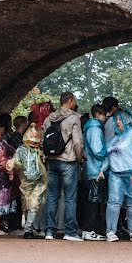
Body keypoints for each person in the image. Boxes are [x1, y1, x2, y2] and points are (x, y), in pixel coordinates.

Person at [41, 91, 85, 241]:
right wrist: (80, 159)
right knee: (70, 198)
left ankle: (49, 231)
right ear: (70, 101)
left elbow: (43, 140)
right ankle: (70, 232)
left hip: (52, 161)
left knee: (52, 196)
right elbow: (78, 142)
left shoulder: (49, 119)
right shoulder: (74, 118)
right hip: (68, 161)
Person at [105, 110, 132, 242]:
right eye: (116, 120)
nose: (117, 122)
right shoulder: (114, 138)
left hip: (130, 173)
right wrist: (102, 170)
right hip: (115, 173)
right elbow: (109, 156)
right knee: (113, 202)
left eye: (120, 119)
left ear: (127, 120)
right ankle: (110, 231)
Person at [7, 124, 47, 239]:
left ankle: (29, 229)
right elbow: (17, 162)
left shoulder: (39, 149)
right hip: (25, 182)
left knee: (34, 205)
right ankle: (31, 228)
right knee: (27, 205)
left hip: (39, 181)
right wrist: (12, 163)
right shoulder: (21, 149)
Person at [82, 104, 109, 241]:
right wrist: (108, 151)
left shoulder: (89, 128)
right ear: (98, 114)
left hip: (91, 168)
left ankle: (89, 229)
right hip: (96, 169)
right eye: (104, 115)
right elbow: (97, 150)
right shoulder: (95, 129)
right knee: (93, 201)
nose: (105, 118)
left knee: (92, 200)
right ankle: (89, 230)